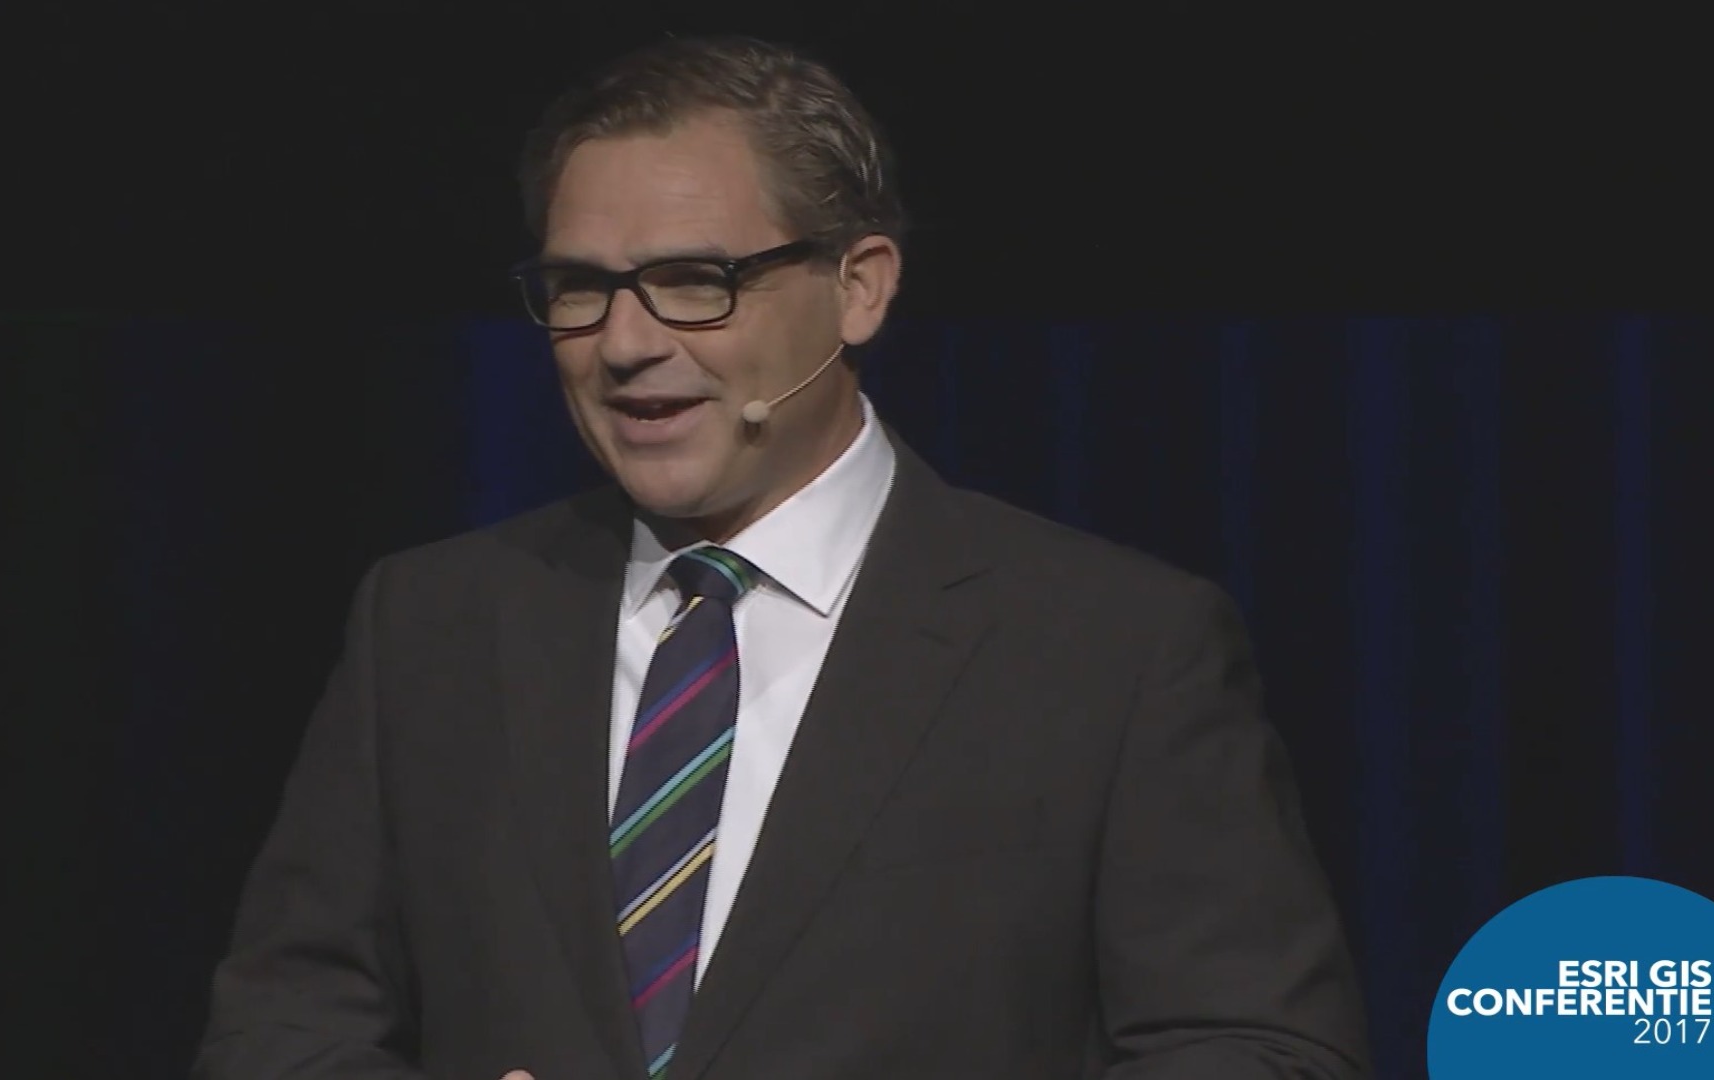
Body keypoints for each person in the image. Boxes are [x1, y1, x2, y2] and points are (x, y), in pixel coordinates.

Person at [193, 34, 1372, 1080]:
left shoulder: (1112, 649)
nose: (625, 343)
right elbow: (280, 1032)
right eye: (580, 289)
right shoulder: (430, 623)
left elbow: (1262, 1048)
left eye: (694, 282)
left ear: (859, 288)